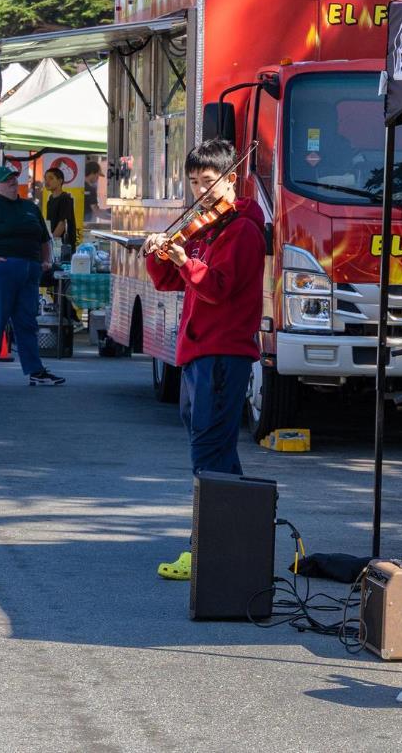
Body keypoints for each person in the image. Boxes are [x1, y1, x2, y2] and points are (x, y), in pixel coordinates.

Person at [141, 138, 265, 581]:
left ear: (231, 179)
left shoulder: (243, 229)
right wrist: (161, 256)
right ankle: (239, 542)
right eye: (194, 182)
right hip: (198, 351)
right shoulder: (207, 228)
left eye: (208, 181)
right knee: (216, 452)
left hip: (222, 350)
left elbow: (217, 287)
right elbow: (170, 283)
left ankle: (206, 547)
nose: (200, 192)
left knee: (208, 453)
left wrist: (183, 259)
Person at [0, 165, 64, 388]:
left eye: (13, 180)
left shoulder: (29, 208)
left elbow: (44, 238)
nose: (12, 183)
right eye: (6, 181)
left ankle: (35, 371)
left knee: (27, 322)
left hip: (28, 271)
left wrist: (46, 260)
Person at [43, 166, 77, 261]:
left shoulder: (65, 198)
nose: (47, 182)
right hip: (54, 243)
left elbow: (62, 223)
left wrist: (50, 242)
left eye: (51, 178)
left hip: (64, 245)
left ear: (60, 181)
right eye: (45, 179)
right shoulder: (50, 199)